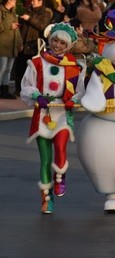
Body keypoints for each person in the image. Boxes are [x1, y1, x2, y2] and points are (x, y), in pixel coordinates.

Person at [20, 22, 85, 214]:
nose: (57, 45)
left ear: (68, 46)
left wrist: (73, 100)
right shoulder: (37, 62)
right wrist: (36, 96)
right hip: (43, 113)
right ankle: (47, 200)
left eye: (62, 43)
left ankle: (60, 176)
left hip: (62, 113)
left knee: (61, 149)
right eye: (55, 41)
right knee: (45, 160)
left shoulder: (75, 67)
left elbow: (80, 91)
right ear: (50, 40)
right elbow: (26, 86)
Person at [14, 0, 53, 97]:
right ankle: (18, 89)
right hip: (24, 42)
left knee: (33, 70)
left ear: (40, 1)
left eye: (34, 1)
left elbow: (42, 26)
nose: (32, 3)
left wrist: (29, 19)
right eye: (31, 1)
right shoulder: (28, 10)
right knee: (20, 68)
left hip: (35, 45)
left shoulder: (45, 13)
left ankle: (33, 91)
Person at [0, 0, 22, 98]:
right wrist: (10, 26)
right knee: (2, 68)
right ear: (9, 0)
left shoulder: (13, 13)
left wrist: (19, 43)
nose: (15, 2)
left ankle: (5, 89)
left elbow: (16, 29)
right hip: (3, 44)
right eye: (14, 0)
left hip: (12, 44)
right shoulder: (1, 12)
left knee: (8, 69)